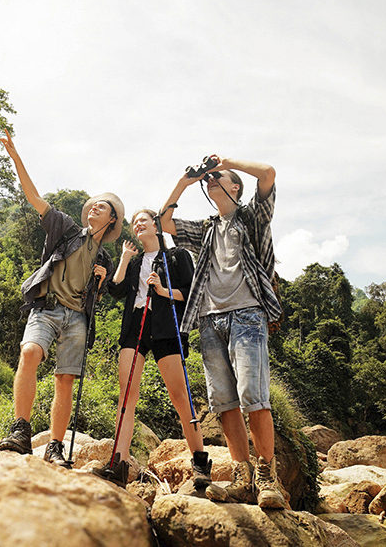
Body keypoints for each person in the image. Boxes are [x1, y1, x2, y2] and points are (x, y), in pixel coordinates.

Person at [157, 154, 287, 509]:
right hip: (210, 320)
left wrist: (225, 160)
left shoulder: (252, 218)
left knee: (254, 397)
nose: (212, 180)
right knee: (225, 402)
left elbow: (268, 173)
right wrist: (187, 180)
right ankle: (242, 478)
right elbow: (163, 221)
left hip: (247, 316)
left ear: (235, 187)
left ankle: (266, 478)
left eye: (219, 178)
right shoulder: (206, 227)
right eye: (209, 179)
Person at [0, 130, 123, 468]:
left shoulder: (105, 260)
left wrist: (103, 279)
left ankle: (54, 446)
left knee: (65, 380)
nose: (95, 206)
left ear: (111, 220)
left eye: (104, 207)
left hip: (78, 318)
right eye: (94, 204)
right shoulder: (65, 228)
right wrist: (15, 155)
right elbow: (34, 196)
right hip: (47, 308)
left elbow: (109, 292)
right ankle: (21, 431)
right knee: (29, 352)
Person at [93, 209, 215, 493]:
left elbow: (194, 293)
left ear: (157, 226)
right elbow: (117, 290)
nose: (137, 225)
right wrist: (124, 258)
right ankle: (119, 463)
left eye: (143, 220)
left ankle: (200, 460)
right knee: (127, 394)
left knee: (179, 395)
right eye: (135, 222)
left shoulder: (177, 256)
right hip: (135, 325)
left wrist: (161, 290)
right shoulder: (135, 263)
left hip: (165, 326)